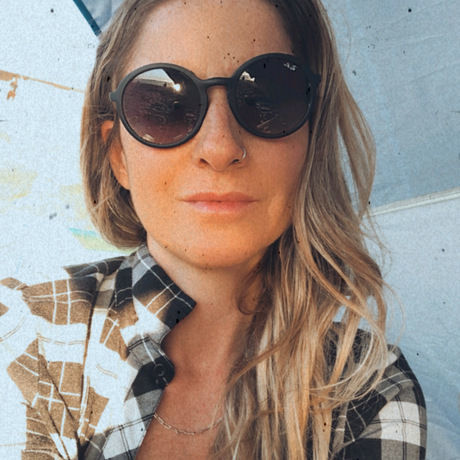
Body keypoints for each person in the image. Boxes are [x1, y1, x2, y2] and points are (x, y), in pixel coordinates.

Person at [0, 0, 427, 458]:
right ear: (118, 155)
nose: (220, 147)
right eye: (165, 106)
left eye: (266, 99)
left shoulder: (368, 391)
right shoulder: (25, 334)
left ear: (310, 140)